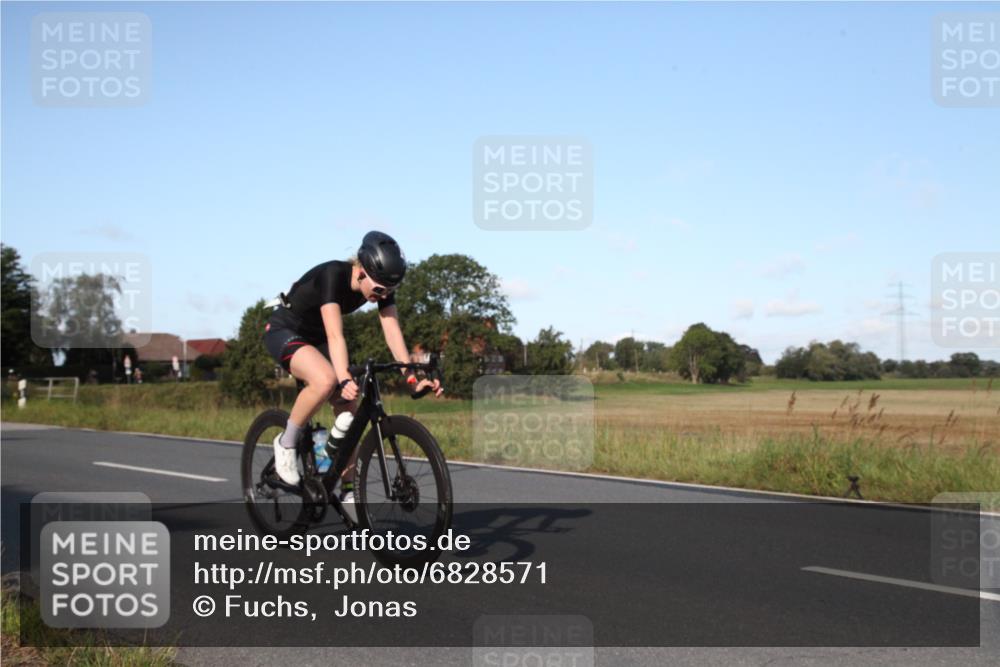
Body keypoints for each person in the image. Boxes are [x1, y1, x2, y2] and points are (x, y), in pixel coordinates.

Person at [263, 231, 443, 519]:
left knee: (349, 413)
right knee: (326, 380)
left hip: (316, 338)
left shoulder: (379, 285)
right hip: (286, 329)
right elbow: (336, 336)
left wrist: (412, 376)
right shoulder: (333, 275)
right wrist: (344, 377)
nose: (380, 296)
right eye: (379, 289)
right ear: (361, 270)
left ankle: (347, 489)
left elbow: (392, 332)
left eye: (387, 291)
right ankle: (286, 442)